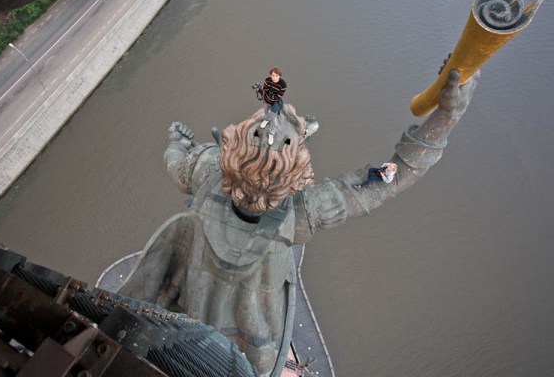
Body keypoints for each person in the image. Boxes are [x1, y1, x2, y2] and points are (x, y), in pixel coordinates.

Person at [119, 69, 480, 376]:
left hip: (175, 326)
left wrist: (177, 141)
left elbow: (177, 164)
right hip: (243, 355)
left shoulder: (209, 169)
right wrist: (445, 117)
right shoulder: (302, 211)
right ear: (295, 177)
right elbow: (393, 178)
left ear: (231, 151)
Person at [260, 66, 287, 145]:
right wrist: (260, 90)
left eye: (276, 76)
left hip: (275, 102)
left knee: (273, 117)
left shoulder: (283, 84)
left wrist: (268, 95)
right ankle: (266, 119)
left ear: (279, 76)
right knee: (265, 110)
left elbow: (278, 96)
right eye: (272, 75)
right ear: (270, 75)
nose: (274, 78)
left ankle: (271, 134)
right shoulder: (267, 80)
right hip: (266, 99)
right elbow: (265, 90)